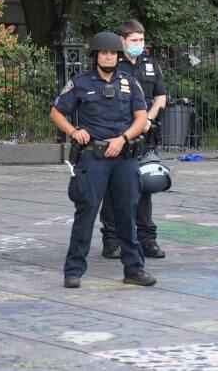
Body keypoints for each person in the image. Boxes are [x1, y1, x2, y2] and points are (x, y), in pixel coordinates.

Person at [51, 31, 156, 288]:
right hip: (93, 158)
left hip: (124, 156)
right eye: (103, 53)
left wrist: (122, 139)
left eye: (112, 53)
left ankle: (134, 269)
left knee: (127, 213)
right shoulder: (81, 83)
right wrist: (74, 131)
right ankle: (73, 270)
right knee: (86, 212)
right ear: (95, 56)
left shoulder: (130, 82)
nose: (108, 57)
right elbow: (56, 112)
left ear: (117, 56)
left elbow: (141, 119)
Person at [100, 20, 168, 259]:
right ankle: (112, 240)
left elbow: (161, 97)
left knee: (145, 186)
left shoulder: (150, 64)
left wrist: (148, 117)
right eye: (134, 40)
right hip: (120, 134)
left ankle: (147, 240)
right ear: (123, 41)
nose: (139, 44)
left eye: (141, 40)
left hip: (145, 136)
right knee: (113, 189)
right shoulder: (114, 66)